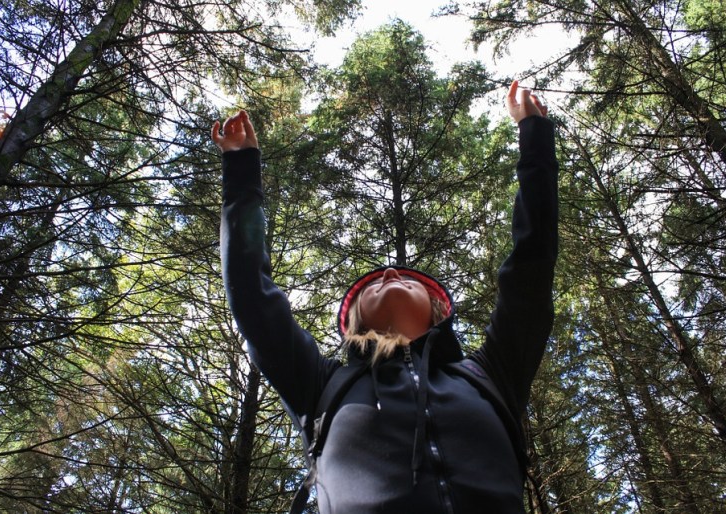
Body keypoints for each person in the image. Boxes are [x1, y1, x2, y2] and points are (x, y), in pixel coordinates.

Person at [213, 80, 558, 514]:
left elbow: (532, 265)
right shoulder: (320, 385)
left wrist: (535, 138)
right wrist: (241, 169)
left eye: (409, 278)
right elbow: (251, 295)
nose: (391, 272)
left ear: (438, 311)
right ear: (354, 319)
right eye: (373, 282)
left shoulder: (490, 374)